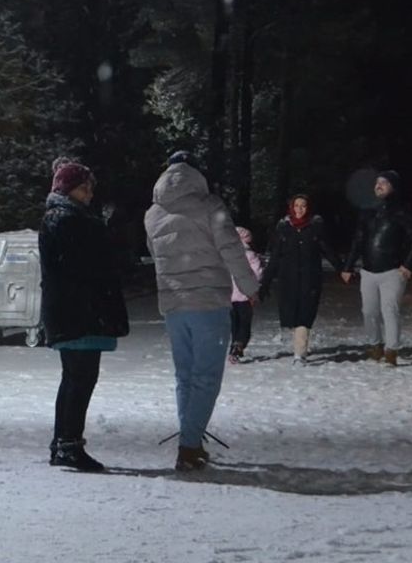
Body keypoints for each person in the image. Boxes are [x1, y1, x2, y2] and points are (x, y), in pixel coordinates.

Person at [144, 152, 259, 471]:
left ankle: (190, 439)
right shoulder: (210, 206)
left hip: (174, 305)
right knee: (206, 377)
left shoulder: (153, 214)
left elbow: (157, 255)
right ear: (195, 173)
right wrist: (250, 288)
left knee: (185, 376)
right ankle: (190, 446)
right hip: (208, 302)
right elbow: (233, 249)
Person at [39, 158, 130, 472]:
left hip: (73, 312)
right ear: (69, 190)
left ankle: (62, 443)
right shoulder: (68, 220)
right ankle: (69, 445)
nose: (89, 193)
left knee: (74, 379)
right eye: (83, 188)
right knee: (81, 379)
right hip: (79, 313)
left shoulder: (67, 218)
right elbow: (86, 266)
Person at [341, 170, 412, 367]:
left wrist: (408, 265)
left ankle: (391, 351)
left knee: (390, 310)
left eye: (384, 183)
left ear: (393, 187)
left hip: (393, 271)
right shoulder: (367, 210)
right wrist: (348, 266)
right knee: (368, 311)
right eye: (377, 182)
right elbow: (359, 240)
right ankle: (375, 345)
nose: (378, 185)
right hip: (368, 270)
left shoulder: (402, 211)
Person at [259, 194, 345, 366]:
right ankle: (300, 343)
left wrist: (343, 268)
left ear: (308, 208)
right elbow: (275, 256)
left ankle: (299, 353)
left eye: (303, 206)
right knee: (291, 316)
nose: (299, 209)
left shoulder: (316, 228)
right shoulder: (283, 228)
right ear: (291, 208)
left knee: (304, 315)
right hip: (287, 279)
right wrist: (265, 281)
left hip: (309, 278)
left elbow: (327, 250)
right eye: (296, 205)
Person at [228, 226, 263, 364]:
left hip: (229, 295)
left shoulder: (225, 255)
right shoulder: (250, 255)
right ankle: (239, 344)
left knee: (234, 323)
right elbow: (258, 273)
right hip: (245, 294)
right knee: (245, 322)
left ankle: (234, 345)